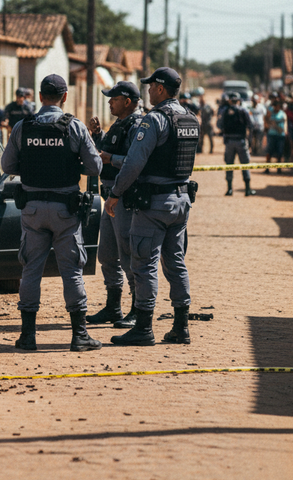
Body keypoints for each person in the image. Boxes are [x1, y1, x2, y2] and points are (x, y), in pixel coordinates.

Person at [0, 74, 103, 352]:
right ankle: (79, 336)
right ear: (65, 97)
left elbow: (7, 165)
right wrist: (72, 163)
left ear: (40, 96)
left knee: (31, 270)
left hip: (32, 209)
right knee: (72, 271)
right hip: (65, 210)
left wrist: (31, 166)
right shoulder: (74, 127)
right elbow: (95, 167)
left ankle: (27, 337)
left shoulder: (23, 126)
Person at [104, 67, 198, 347]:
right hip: (181, 201)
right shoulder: (190, 118)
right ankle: (180, 327)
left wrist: (116, 193)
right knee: (176, 263)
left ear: (160, 88)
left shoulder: (154, 120)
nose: (147, 91)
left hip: (155, 203)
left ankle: (143, 327)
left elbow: (134, 163)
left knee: (144, 263)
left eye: (150, 86)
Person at [85, 81, 144, 329]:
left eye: (114, 98)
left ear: (127, 102)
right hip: (109, 197)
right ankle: (113, 306)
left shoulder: (138, 125)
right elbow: (106, 152)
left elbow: (136, 161)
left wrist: (111, 159)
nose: (109, 102)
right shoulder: (120, 124)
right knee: (108, 255)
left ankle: (138, 309)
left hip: (124, 198)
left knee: (129, 256)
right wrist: (98, 136)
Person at [218, 92, 255, 196]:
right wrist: (250, 141)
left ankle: (229, 189)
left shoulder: (225, 111)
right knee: (245, 165)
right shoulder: (243, 110)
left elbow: (219, 125)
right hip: (241, 141)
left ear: (229, 101)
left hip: (229, 142)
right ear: (238, 101)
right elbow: (251, 125)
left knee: (229, 165)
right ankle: (247, 189)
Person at [264, 98, 287, 172]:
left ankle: (279, 168)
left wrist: (285, 131)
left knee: (280, 152)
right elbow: (266, 120)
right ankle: (267, 167)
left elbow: (285, 124)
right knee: (269, 152)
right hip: (272, 134)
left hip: (280, 135)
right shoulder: (270, 113)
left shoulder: (282, 114)